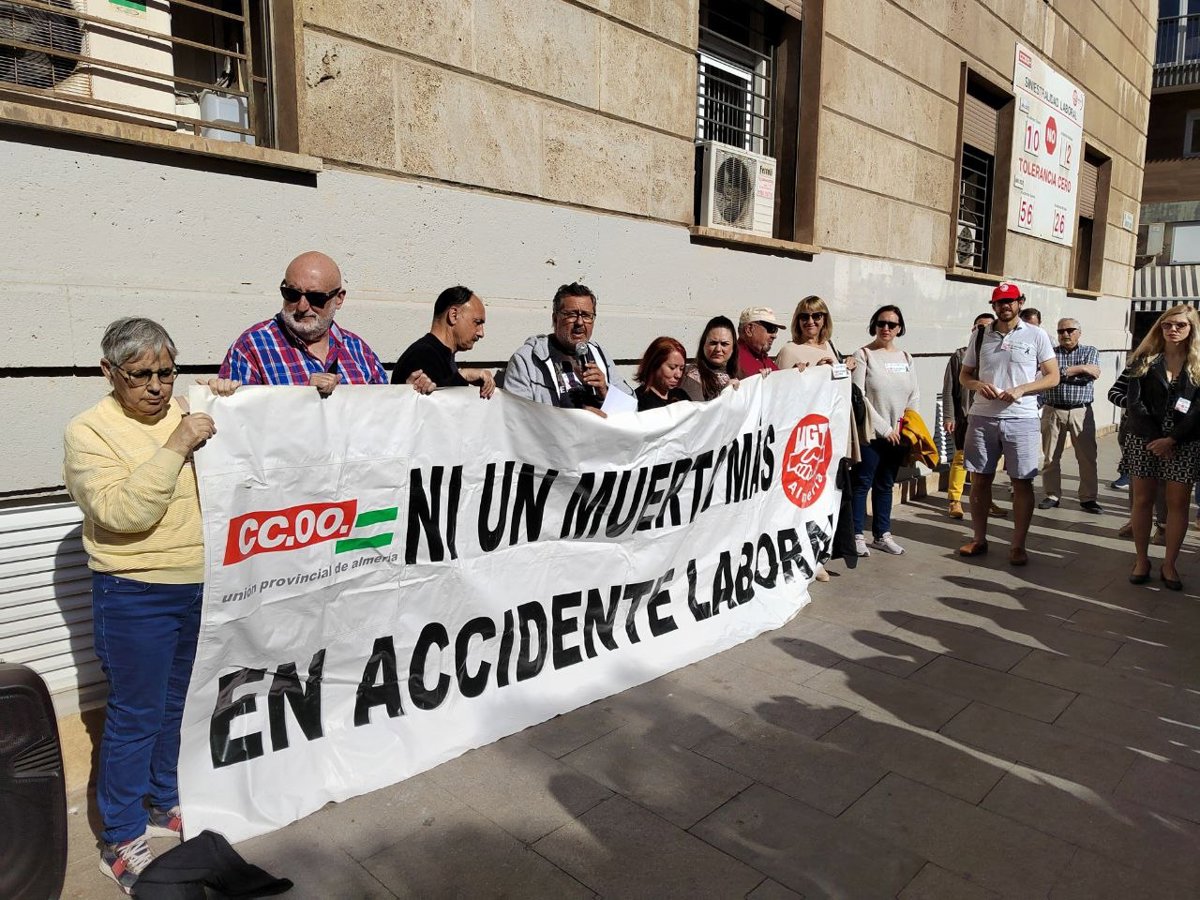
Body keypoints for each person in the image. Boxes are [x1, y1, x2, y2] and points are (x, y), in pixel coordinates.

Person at [63, 318, 217, 893]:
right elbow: (122, 513)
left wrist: (226, 397)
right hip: (135, 592)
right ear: (109, 372)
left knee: (176, 705)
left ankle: (162, 797)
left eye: (166, 372)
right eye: (140, 375)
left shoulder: (187, 410)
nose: (156, 386)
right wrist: (177, 446)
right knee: (135, 716)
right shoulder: (89, 431)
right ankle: (121, 838)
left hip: (198, 584)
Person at [958, 282, 1059, 566]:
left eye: (1010, 301)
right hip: (983, 417)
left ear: (1020, 302)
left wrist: (1021, 390)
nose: (1005, 306)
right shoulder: (980, 335)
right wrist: (978, 385)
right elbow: (965, 375)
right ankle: (979, 538)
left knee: (1022, 482)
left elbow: (1053, 376)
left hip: (1022, 418)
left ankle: (1018, 545)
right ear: (993, 305)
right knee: (979, 480)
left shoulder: (1037, 334)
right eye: (1000, 302)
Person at [1110, 304, 1200, 590]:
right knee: (1142, 501)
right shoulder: (1144, 360)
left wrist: (1172, 440)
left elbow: (1198, 409)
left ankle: (1169, 564)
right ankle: (1141, 560)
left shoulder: (1198, 364)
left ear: (1191, 329)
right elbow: (1134, 403)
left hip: (1183, 442)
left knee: (1178, 505)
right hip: (1144, 439)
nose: (1173, 329)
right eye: (1167, 324)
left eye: (1180, 325)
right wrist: (1155, 439)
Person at [218, 251, 387, 393]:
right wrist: (303, 395)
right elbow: (239, 417)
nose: (302, 306)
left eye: (316, 297)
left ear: (339, 299)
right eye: (292, 294)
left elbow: (384, 413)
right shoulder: (251, 347)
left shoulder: (360, 352)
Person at [851, 304, 919, 556]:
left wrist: (908, 425)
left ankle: (882, 534)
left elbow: (914, 394)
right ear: (874, 325)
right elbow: (859, 395)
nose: (886, 328)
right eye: (881, 323)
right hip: (871, 433)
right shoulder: (864, 355)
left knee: (886, 484)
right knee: (862, 483)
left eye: (892, 324)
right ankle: (856, 535)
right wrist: (884, 428)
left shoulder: (906, 358)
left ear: (900, 328)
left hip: (897, 436)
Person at [502, 282, 630, 409]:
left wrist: (605, 392)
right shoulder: (526, 360)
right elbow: (517, 413)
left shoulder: (600, 355)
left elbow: (631, 407)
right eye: (571, 314)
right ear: (555, 319)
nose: (579, 322)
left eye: (586, 316)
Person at [1039, 318, 1102, 513]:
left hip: (1080, 411)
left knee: (1087, 457)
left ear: (1079, 332)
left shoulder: (1090, 351)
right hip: (1052, 410)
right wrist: (1080, 368)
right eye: (1061, 331)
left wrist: (1061, 373)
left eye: (1070, 330)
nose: (1065, 334)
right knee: (1050, 457)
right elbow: (1046, 375)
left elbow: (1093, 373)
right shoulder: (1050, 353)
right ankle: (1052, 495)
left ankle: (1088, 498)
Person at [941, 312, 999, 519]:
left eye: (988, 327)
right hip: (965, 416)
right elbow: (949, 388)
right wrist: (949, 416)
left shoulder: (998, 355)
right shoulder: (960, 356)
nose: (983, 331)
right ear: (973, 329)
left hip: (990, 415)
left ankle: (984, 500)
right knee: (961, 457)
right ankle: (954, 501)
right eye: (979, 327)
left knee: (985, 462)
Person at [391, 285, 496, 397]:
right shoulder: (424, 355)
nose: (481, 333)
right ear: (453, 315)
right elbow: (437, 404)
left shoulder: (439, 354)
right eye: (477, 322)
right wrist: (463, 375)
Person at [775, 295, 858, 373]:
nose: (810, 321)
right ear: (798, 321)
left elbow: (836, 378)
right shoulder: (788, 351)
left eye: (816, 316)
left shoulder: (829, 345)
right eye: (804, 317)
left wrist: (848, 366)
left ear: (825, 319)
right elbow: (781, 382)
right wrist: (817, 370)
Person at [681, 316, 738, 401]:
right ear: (703, 344)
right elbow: (696, 408)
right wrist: (724, 393)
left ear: (733, 347)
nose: (718, 349)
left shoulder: (737, 374)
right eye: (713, 343)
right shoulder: (690, 376)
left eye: (724, 344)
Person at [634, 337, 690, 410]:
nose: (678, 375)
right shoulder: (638, 400)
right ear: (654, 365)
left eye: (681, 369)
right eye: (672, 368)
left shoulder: (681, 395)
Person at [736, 306, 782, 377]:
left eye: (776, 330)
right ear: (749, 330)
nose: (774, 336)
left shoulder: (766, 360)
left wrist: (795, 372)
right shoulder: (732, 360)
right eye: (770, 328)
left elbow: (781, 381)